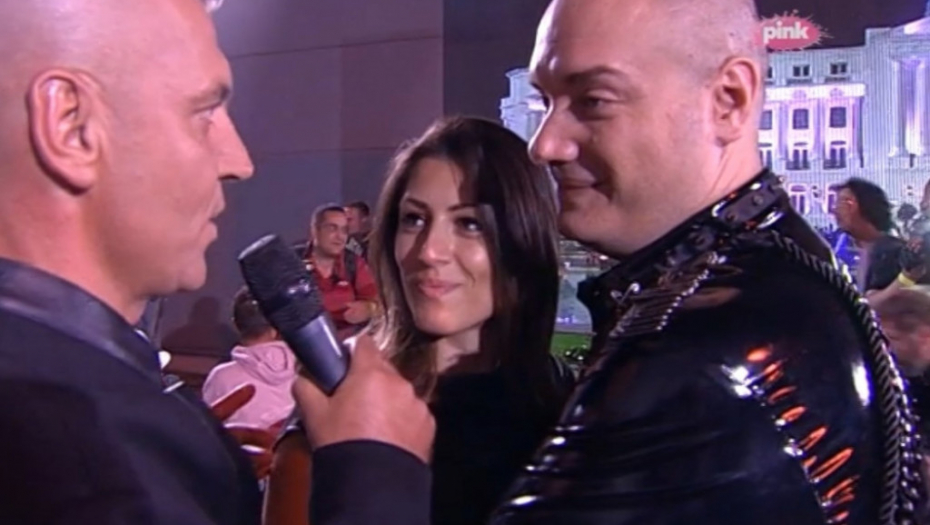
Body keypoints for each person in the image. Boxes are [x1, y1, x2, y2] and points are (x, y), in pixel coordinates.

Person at [291, 0, 925, 524]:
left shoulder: (699, 345)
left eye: (593, 100)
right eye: (545, 100)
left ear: (730, 100)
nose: (545, 144)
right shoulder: (771, 279)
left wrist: (370, 471)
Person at [0, 0, 268, 523]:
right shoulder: (85, 463)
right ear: (71, 125)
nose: (239, 162)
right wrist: (373, 471)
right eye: (204, 112)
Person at [264, 117, 575, 525]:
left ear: (524, 240)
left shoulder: (563, 398)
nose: (429, 251)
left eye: (469, 223)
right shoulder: (348, 398)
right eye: (413, 219)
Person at [202, 287, 296, 431]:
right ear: (276, 328)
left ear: (236, 324)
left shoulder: (221, 377)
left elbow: (206, 432)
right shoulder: (306, 373)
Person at [296, 204, 379, 340]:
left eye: (344, 230)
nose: (340, 237)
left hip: (347, 343)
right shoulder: (292, 264)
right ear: (314, 231)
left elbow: (382, 305)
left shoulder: (353, 263)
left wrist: (369, 309)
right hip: (302, 343)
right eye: (332, 228)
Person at [831, 178, 905, 293]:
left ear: (866, 205)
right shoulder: (853, 249)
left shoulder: (894, 254)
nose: (835, 210)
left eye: (845, 202)